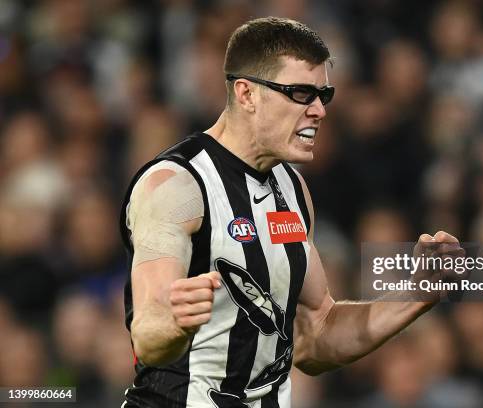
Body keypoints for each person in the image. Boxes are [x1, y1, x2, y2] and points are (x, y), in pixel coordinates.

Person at [119, 17, 462, 408]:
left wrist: (415, 295)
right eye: (300, 93)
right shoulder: (176, 186)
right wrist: (174, 323)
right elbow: (147, 332)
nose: (319, 111)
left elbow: (315, 335)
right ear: (246, 94)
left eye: (323, 95)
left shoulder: (292, 187)